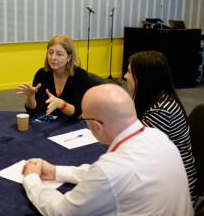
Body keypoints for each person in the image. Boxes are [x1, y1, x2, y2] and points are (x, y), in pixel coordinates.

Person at [22, 84, 193, 216]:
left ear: (96, 126)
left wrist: (32, 179)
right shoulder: (158, 137)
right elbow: (104, 177)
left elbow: (61, 211)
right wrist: (55, 171)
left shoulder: (110, 170)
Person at [124, 50, 198, 203]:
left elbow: (138, 153)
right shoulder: (154, 97)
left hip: (175, 191)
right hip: (163, 176)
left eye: (129, 72)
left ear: (143, 78)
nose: (125, 76)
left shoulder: (160, 110)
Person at [16, 35, 92, 120]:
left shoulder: (80, 76)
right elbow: (32, 111)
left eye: (59, 54)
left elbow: (77, 113)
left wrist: (61, 104)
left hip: (69, 125)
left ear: (69, 57)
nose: (53, 58)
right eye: (50, 52)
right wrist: (31, 96)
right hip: (48, 122)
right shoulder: (42, 74)